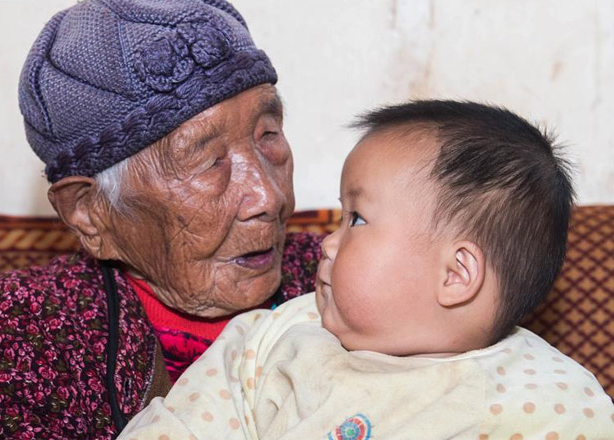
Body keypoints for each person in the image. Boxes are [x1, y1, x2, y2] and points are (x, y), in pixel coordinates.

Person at [116, 101, 614, 440]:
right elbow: (179, 425)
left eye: (356, 219)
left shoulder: (548, 401)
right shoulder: (275, 337)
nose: (327, 242)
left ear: (455, 274)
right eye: (339, 217)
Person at [0, 1, 323, 438]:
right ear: (90, 213)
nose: (268, 197)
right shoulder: (25, 337)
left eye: (268, 134)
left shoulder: (338, 275)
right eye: (209, 161)